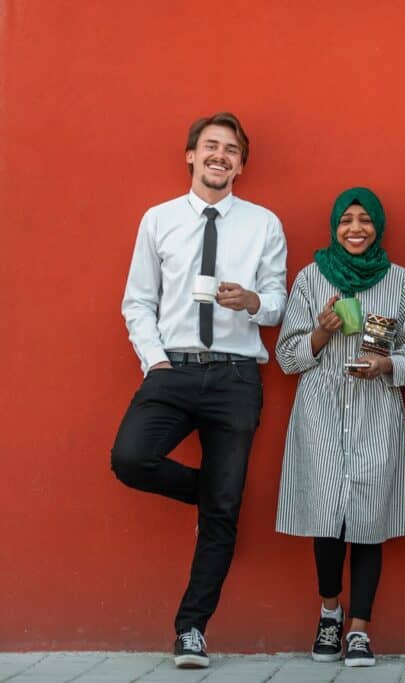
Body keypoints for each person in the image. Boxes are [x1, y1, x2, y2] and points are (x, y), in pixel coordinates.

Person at [110, 112, 287, 668]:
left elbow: (278, 302)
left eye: (231, 150)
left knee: (224, 512)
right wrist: (156, 362)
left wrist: (251, 302)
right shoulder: (159, 220)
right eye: (211, 146)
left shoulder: (263, 224)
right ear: (190, 155)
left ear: (241, 164)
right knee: (130, 458)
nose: (220, 156)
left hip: (236, 375)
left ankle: (191, 629)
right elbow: (138, 300)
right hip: (175, 369)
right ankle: (208, 492)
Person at [275, 187, 405, 668]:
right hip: (320, 410)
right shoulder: (310, 278)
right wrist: (322, 332)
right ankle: (329, 613)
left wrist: (387, 367)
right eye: (346, 221)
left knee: (369, 519)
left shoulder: (400, 283)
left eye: (365, 220)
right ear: (334, 226)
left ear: (378, 226)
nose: (355, 229)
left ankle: (360, 630)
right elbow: (287, 358)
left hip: (376, 410)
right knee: (327, 515)